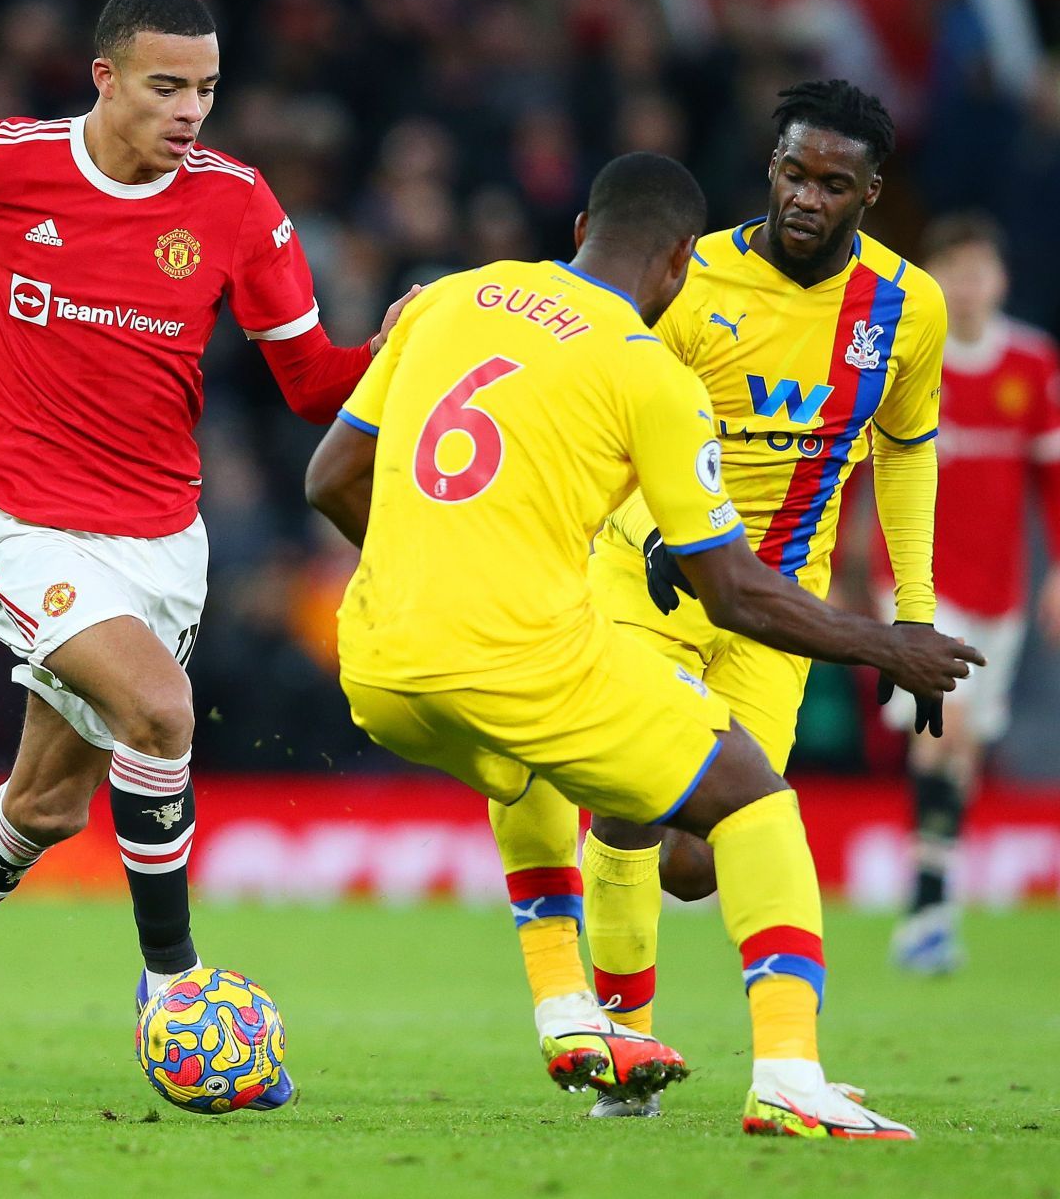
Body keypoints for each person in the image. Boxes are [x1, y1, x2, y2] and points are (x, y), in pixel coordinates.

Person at [0, 0, 414, 1110]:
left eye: (207, 88)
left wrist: (395, 350)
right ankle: (174, 992)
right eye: (166, 86)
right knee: (162, 714)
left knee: (43, 808)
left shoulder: (236, 205)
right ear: (105, 78)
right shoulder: (1, 162)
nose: (191, 110)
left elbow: (308, 384)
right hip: (21, 519)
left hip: (162, 541)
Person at [308, 150, 978, 1139]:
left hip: (376, 664)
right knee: (748, 794)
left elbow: (329, 478)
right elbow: (736, 591)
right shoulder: (647, 369)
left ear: (579, 228)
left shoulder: (452, 297)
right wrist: (888, 646)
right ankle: (789, 1072)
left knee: (532, 765)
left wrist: (430, 572)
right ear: (677, 268)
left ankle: (568, 1009)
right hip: (521, 656)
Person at [486, 80, 949, 1117]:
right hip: (649, 581)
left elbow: (907, 452)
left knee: (702, 857)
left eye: (834, 183)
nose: (806, 198)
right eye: (793, 172)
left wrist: (910, 612)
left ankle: (671, 1035)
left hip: (780, 610)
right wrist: (656, 532)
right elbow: (611, 407)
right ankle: (629, 1050)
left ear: (871, 194)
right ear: (769, 169)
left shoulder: (907, 309)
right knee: (630, 802)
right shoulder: (689, 282)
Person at [874, 213, 1060, 972]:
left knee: (967, 744)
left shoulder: (1033, 361)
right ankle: (926, 901)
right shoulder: (910, 356)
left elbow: (1051, 479)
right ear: (934, 280)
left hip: (1002, 588)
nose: (968, 285)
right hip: (920, 583)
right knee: (942, 727)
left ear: (1001, 279)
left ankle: (934, 897)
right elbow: (867, 468)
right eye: (953, 272)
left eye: (979, 271)